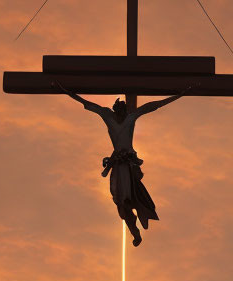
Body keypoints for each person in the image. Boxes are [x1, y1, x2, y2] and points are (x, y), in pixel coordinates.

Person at [55, 83, 191, 245]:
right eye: (119, 110)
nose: (121, 113)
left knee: (129, 198)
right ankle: (135, 232)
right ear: (115, 110)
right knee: (122, 203)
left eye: (123, 110)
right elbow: (88, 104)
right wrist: (66, 91)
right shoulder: (107, 115)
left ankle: (135, 228)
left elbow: (153, 105)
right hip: (119, 166)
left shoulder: (130, 117)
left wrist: (179, 95)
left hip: (128, 165)